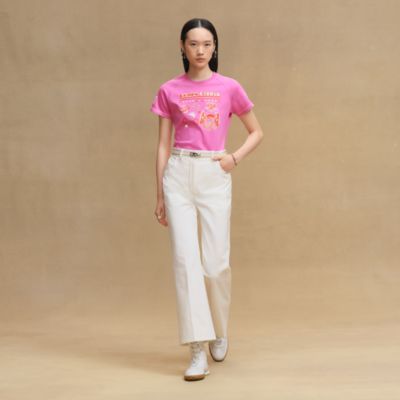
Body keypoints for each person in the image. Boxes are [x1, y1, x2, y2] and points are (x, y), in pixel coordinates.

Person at [150, 18, 264, 381]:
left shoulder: (229, 87)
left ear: (215, 47)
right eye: (193, 44)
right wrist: (160, 193)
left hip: (213, 173)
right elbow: (163, 145)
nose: (200, 51)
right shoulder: (169, 90)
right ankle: (196, 348)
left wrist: (234, 158)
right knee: (186, 262)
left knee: (215, 264)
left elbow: (256, 131)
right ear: (182, 47)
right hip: (178, 174)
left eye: (207, 44)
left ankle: (219, 328)